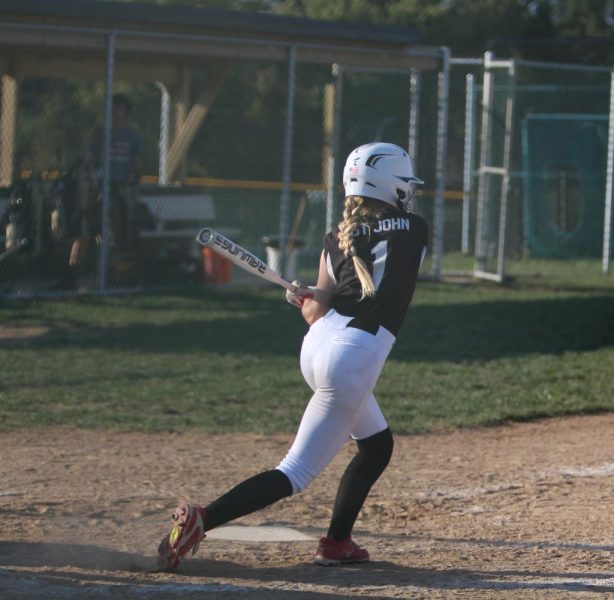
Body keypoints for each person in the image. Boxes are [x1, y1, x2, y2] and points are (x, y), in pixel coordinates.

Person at [156, 142, 428, 570]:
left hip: (320, 346)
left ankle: (337, 542)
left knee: (376, 446)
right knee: (294, 473)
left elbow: (317, 310)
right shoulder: (414, 227)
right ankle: (203, 520)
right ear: (391, 185)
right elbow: (377, 275)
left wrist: (304, 299)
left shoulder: (336, 236)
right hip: (353, 356)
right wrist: (315, 299)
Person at [55, 93, 143, 289]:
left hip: (119, 190)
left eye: (119, 108)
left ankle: (114, 279)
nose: (115, 112)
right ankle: (70, 276)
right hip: (96, 190)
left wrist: (132, 187)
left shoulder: (133, 135)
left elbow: (137, 166)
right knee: (85, 233)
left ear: (126, 111)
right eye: (113, 107)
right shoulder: (100, 133)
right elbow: (89, 160)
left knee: (115, 237)